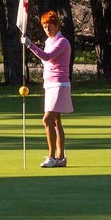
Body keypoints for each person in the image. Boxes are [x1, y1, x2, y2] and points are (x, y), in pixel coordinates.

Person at [24, 9, 73, 169]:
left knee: (47, 120)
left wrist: (30, 45)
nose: (47, 29)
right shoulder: (49, 41)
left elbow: (47, 56)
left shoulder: (62, 42)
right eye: (44, 27)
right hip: (50, 84)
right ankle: (61, 157)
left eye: (49, 26)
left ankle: (52, 157)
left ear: (56, 25)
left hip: (60, 84)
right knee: (56, 122)